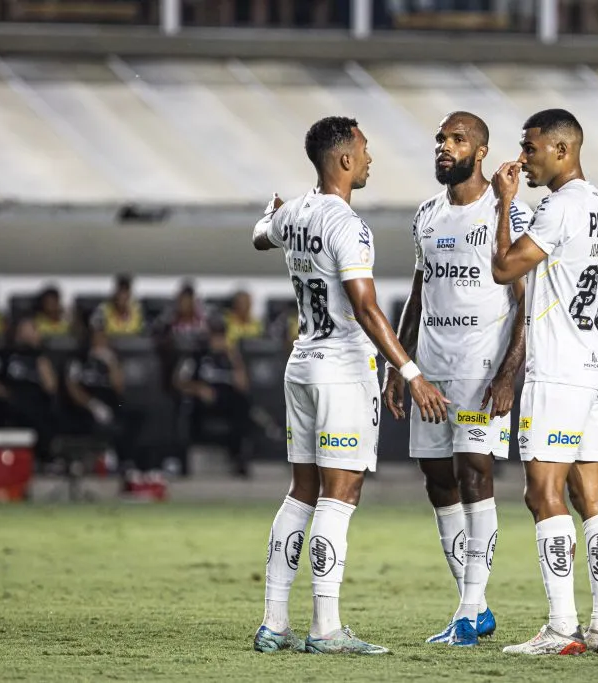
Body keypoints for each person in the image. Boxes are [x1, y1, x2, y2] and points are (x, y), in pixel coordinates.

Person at [250, 116, 449, 655]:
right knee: (340, 496)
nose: (369, 157)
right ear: (342, 160)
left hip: (302, 365)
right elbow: (365, 307)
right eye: (363, 149)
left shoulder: (293, 211)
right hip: (340, 371)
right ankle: (326, 629)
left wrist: (272, 215)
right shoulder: (346, 225)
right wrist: (410, 371)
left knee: (301, 492)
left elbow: (259, 235)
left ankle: (273, 623)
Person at [383, 112, 532, 647]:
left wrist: (510, 374)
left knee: (474, 471)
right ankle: (477, 608)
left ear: (482, 150)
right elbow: (418, 295)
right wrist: (399, 366)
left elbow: (526, 305)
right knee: (437, 477)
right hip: (432, 366)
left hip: (481, 366)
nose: (444, 147)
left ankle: (467, 613)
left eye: (456, 139)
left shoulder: (508, 212)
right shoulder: (426, 215)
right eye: (440, 140)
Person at [489, 109, 598, 656]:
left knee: (541, 492)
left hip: (561, 372)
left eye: (532, 147)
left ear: (563, 150)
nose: (524, 158)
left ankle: (563, 628)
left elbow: (504, 267)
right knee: (591, 493)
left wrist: (504, 204)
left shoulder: (560, 206)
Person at [65, 327, 148, 481]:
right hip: (86, 405)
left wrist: (111, 362)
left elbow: (119, 387)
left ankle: (127, 462)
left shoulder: (111, 360)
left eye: (103, 339)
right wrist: (93, 405)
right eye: (97, 339)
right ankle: (102, 461)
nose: (100, 342)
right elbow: (72, 387)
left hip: (112, 402)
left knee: (135, 416)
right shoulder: (79, 360)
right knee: (97, 423)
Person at [173, 319, 254, 477]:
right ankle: (183, 461)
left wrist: (234, 357)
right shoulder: (196, 356)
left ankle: (240, 458)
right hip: (202, 399)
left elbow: (243, 385)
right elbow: (178, 381)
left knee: (243, 404)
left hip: (227, 399)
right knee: (187, 407)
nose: (218, 341)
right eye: (214, 336)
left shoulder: (230, 358)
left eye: (221, 336)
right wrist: (198, 388)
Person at [0, 319, 58, 463]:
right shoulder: (3, 355)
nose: (31, 334)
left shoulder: (40, 358)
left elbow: (51, 387)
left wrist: (42, 363)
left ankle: (44, 459)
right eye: (27, 330)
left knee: (47, 415)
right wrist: (5, 393)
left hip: (36, 402)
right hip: (10, 399)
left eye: (33, 330)